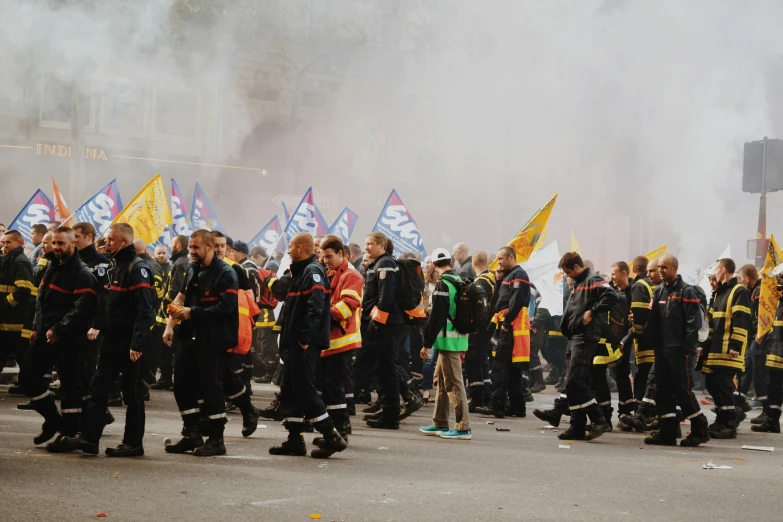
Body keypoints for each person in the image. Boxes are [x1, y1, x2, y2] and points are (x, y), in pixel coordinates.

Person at [57, 224, 155, 457]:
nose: (106, 243)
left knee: (132, 395)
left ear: (124, 242)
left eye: (111, 240)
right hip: (111, 341)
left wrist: (137, 344)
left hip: (131, 344)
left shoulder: (137, 267)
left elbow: (145, 310)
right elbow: (107, 304)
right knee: (98, 388)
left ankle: (133, 443)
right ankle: (90, 439)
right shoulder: (114, 265)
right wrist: (99, 326)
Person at [163, 230, 243, 456]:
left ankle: (217, 440)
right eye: (189, 248)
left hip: (214, 341)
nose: (191, 252)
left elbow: (226, 309)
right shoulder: (192, 269)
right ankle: (191, 434)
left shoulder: (227, 273)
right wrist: (170, 326)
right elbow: (179, 299)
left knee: (211, 389)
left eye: (195, 248)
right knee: (181, 385)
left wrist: (192, 313)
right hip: (190, 338)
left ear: (209, 248)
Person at [269, 233, 348, 459]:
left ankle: (332, 436)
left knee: (305, 389)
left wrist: (304, 338)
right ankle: (295, 440)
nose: (287, 251)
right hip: (294, 343)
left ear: (302, 248)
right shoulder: (300, 271)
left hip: (304, 344)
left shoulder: (312, 272)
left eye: (291, 246)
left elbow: (316, 308)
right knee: (290, 390)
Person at [21, 227, 96, 449]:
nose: (56, 247)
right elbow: (41, 300)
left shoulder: (82, 273)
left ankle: (68, 433)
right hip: (46, 333)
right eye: (54, 243)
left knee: (71, 387)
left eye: (61, 244)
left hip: (69, 338)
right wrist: (37, 326)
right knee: (27, 376)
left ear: (73, 244)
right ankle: (53, 421)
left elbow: (81, 308)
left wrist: (58, 330)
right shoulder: (51, 266)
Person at [535, 252, 617, 440]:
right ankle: (577, 427)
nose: (566, 276)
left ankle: (599, 419)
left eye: (567, 272)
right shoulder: (577, 283)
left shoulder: (592, 279)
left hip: (586, 337)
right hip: (574, 336)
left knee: (575, 381)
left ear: (577, 267)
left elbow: (612, 295)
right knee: (572, 384)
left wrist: (592, 312)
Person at [642, 254, 710, 446]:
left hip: (681, 353)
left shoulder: (686, 291)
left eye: (665, 267)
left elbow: (693, 323)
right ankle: (668, 432)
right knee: (662, 391)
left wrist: (687, 350)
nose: (661, 270)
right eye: (660, 267)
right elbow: (654, 321)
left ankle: (700, 430)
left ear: (675, 268)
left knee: (683, 391)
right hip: (662, 351)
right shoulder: (659, 291)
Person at [311, 235, 363, 445]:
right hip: (329, 339)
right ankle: (334, 429)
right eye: (323, 257)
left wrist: (322, 314)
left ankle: (340, 428)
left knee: (334, 387)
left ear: (341, 254)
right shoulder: (331, 273)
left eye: (329, 256)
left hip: (342, 339)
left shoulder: (352, 275)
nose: (325, 260)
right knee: (327, 386)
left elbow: (348, 305)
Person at [354, 232, 406, 430]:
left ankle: (340, 411)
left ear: (381, 245)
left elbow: (386, 297)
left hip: (381, 324)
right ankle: (390, 415)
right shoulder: (381, 263)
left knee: (362, 364)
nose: (366, 247)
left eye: (369, 244)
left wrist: (376, 323)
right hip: (385, 324)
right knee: (386, 369)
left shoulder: (385, 264)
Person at [418, 248, 471, 439]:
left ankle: (463, 427)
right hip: (455, 338)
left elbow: (438, 318)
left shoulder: (443, 284)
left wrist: (426, 343)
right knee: (440, 381)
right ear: (451, 261)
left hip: (448, 341)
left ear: (434, 264)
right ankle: (439, 422)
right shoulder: (458, 280)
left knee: (454, 383)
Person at [475, 247, 532, 418]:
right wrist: (499, 280)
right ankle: (517, 407)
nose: (498, 263)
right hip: (508, 325)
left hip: (510, 327)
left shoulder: (519, 275)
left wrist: (506, 323)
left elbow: (515, 301)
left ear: (510, 257)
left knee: (501, 366)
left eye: (501, 259)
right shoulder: (508, 275)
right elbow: (503, 297)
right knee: (513, 369)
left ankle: (496, 404)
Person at [702, 257, 751, 439]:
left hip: (729, 350)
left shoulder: (739, 291)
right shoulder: (719, 293)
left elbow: (741, 321)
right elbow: (712, 324)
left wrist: (735, 346)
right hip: (715, 349)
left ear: (723, 269)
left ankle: (729, 424)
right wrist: (704, 346)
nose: (713, 273)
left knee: (723, 385)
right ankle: (722, 420)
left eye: (715, 269)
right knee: (712, 384)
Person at [618, 257, 661, 431]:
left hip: (645, 343)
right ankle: (648, 415)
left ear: (634, 268)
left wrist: (632, 335)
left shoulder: (639, 286)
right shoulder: (657, 286)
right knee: (652, 380)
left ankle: (641, 415)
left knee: (643, 379)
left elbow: (640, 317)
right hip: (658, 341)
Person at [151, 235, 189, 390]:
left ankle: (169, 379)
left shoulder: (180, 264)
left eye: (172, 243)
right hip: (177, 314)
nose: (171, 246)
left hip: (171, 314)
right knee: (171, 349)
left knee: (168, 349)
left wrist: (165, 304)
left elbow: (175, 291)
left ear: (178, 245)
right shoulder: (183, 262)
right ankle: (167, 379)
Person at [0, 230, 35, 383]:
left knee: (23, 357)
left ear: (19, 243)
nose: (5, 246)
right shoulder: (7, 260)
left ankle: (30, 387)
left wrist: (5, 305)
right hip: (6, 321)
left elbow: (23, 290)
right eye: (3, 242)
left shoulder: (20, 261)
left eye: (8, 242)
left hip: (16, 322)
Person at [752, 262, 783, 434]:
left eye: (780, 277)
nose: (777, 280)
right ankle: (772, 421)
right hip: (776, 350)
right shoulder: (780, 299)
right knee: (773, 386)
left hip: (780, 349)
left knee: (776, 386)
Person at [464, 251, 496, 411]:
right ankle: (486, 394)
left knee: (473, 360)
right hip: (490, 326)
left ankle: (477, 397)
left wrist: (475, 325)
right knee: (483, 361)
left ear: (474, 263)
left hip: (479, 328)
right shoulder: (493, 279)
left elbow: (480, 307)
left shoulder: (480, 282)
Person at [740, 264, 768, 412]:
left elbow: (760, 315)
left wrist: (760, 333)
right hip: (754, 337)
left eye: (741, 278)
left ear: (746, 278)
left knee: (759, 375)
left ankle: (768, 411)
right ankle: (739, 401)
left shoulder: (759, 291)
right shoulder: (755, 290)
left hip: (759, 338)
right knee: (747, 368)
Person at [250, 246, 280, 384]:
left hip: (265, 312)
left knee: (265, 342)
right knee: (264, 342)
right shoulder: (268, 271)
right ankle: (267, 370)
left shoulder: (264, 271)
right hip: (264, 311)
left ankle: (269, 371)